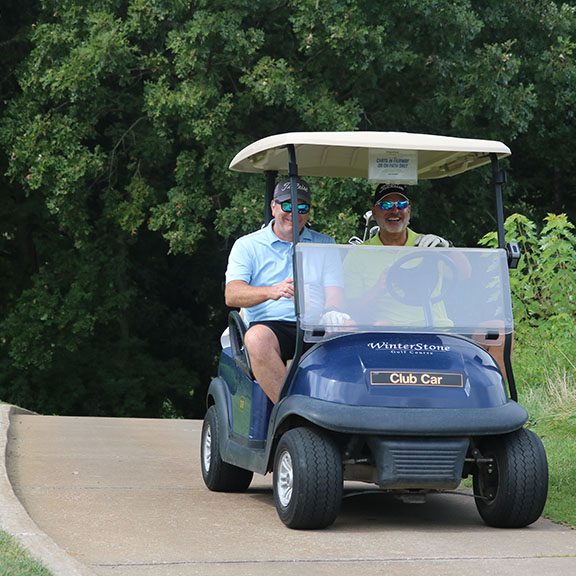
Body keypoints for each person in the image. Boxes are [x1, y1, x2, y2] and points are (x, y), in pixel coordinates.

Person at [225, 177, 341, 403]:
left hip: (314, 324)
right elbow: (232, 294)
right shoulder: (248, 245)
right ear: (273, 206)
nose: (294, 213)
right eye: (288, 206)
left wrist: (331, 311)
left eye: (302, 208)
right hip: (271, 326)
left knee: (357, 336)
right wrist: (271, 291)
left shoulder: (325, 243)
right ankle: (292, 411)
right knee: (256, 339)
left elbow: (335, 294)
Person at [364, 183, 450, 248]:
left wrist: (447, 247)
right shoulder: (361, 252)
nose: (395, 210)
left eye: (402, 204)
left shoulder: (427, 245)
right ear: (374, 212)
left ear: (409, 211)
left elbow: (457, 265)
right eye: (386, 205)